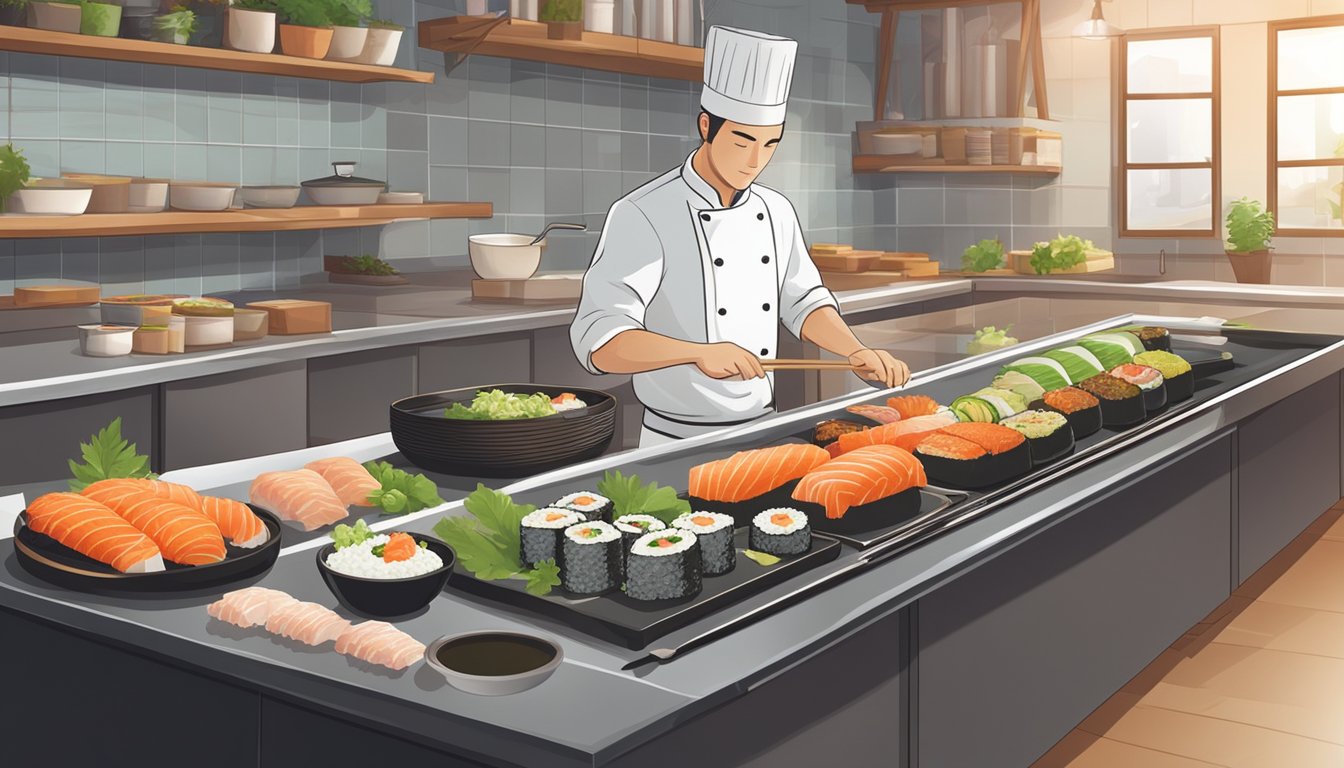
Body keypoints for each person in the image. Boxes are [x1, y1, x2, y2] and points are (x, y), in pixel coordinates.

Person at [570, 26, 911, 448]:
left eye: (770, 143)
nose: (755, 160)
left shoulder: (776, 210)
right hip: (674, 440)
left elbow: (804, 302)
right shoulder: (643, 212)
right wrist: (696, 352)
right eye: (743, 139)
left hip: (762, 432)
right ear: (705, 126)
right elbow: (600, 341)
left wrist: (854, 351)